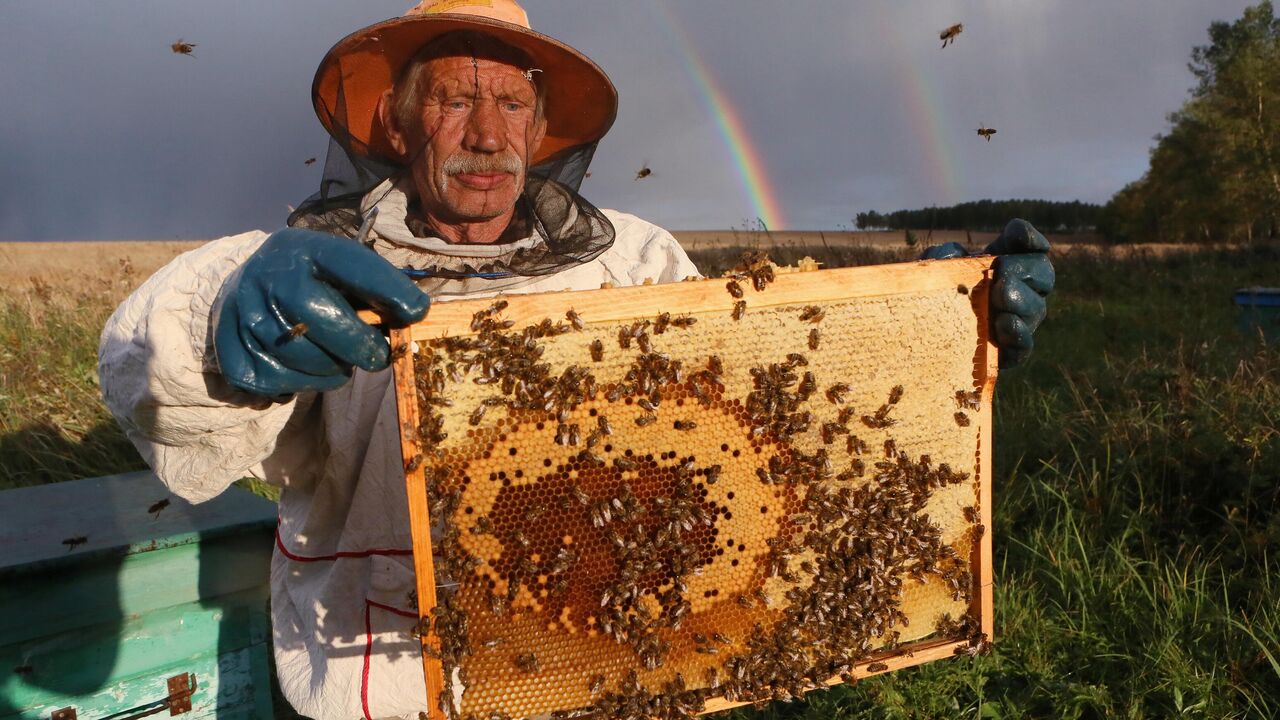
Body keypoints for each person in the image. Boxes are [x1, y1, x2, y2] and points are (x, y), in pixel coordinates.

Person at [98, 2, 1053, 719]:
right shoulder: (314, 267)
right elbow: (156, 374)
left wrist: (922, 326)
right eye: (456, 99)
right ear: (396, 124)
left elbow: (756, 411)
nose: (487, 132)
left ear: (542, 132)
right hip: (384, 676)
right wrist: (222, 322)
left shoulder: (633, 260)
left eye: (512, 103)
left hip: (621, 654)